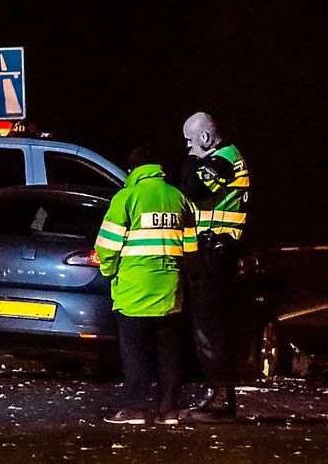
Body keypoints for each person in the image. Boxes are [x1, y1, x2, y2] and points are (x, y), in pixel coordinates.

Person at [96, 147, 197, 425]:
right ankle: (169, 410)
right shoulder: (178, 198)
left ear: (133, 171)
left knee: (135, 352)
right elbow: (190, 249)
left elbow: (106, 246)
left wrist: (110, 270)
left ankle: (135, 409)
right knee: (169, 353)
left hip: (134, 291)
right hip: (169, 292)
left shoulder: (127, 197)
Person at [179, 112, 250, 421]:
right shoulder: (223, 159)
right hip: (212, 251)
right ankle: (217, 395)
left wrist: (193, 160)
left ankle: (220, 399)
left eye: (190, 142)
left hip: (217, 252)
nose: (188, 148)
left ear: (205, 138)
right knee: (207, 324)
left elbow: (191, 188)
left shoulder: (224, 160)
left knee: (209, 326)